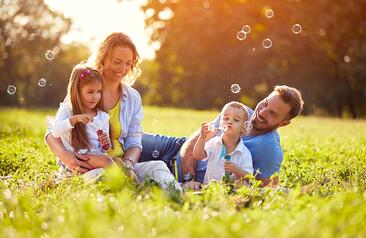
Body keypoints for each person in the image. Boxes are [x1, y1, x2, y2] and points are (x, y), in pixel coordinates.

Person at [46, 32, 181, 192]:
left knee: (158, 166)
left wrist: (128, 164)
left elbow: (134, 138)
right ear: (103, 58)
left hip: (120, 164)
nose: (123, 69)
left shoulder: (132, 97)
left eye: (128, 63)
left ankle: (176, 195)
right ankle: (134, 192)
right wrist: (66, 157)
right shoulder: (86, 88)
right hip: (89, 165)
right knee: (103, 178)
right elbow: (52, 133)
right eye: (117, 62)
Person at [139, 85, 304, 189]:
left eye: (273, 114)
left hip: (182, 177)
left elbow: (268, 189)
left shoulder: (269, 149)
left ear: (283, 123)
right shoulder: (240, 112)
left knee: (128, 166)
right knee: (127, 139)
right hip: (175, 146)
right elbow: (197, 139)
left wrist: (189, 180)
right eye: (265, 103)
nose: (261, 112)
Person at [51, 64, 114, 171]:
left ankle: (136, 185)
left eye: (99, 91)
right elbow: (55, 132)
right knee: (106, 161)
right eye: (90, 92)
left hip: (95, 158)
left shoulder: (103, 116)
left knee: (119, 162)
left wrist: (106, 144)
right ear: (77, 91)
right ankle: (125, 185)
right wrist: (74, 119)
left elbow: (104, 149)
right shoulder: (67, 110)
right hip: (76, 160)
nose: (96, 96)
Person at [193, 101, 253, 184]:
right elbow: (197, 155)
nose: (229, 122)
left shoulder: (244, 153)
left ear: (244, 128)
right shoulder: (213, 143)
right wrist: (202, 138)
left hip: (230, 194)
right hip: (210, 190)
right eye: (226, 118)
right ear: (220, 123)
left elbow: (250, 178)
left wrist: (236, 169)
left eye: (236, 120)